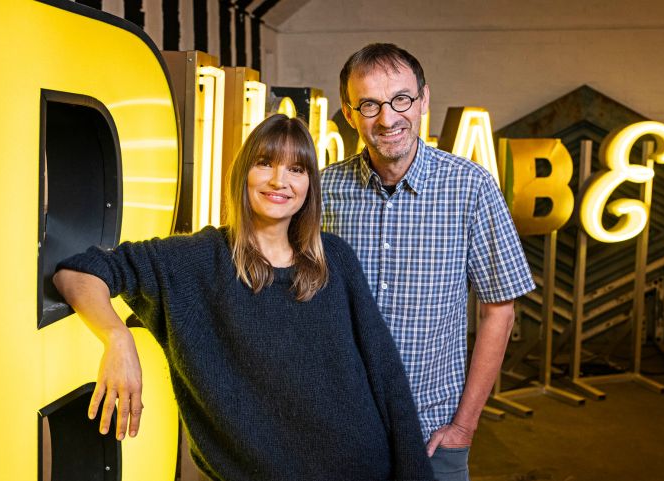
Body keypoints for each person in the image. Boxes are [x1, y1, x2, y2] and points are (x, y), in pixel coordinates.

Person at [54, 114, 434, 481]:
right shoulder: (196, 260)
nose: (279, 180)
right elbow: (78, 272)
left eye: (296, 169)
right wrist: (117, 338)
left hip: (365, 470)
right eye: (265, 163)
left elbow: (387, 377)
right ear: (244, 174)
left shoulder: (334, 259)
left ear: (309, 185)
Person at [321, 43, 536, 481]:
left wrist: (464, 426)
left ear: (423, 101)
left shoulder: (470, 187)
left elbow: (500, 310)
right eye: (369, 104)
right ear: (348, 113)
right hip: (340, 431)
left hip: (433, 432)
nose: (387, 118)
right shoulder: (323, 191)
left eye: (401, 99)